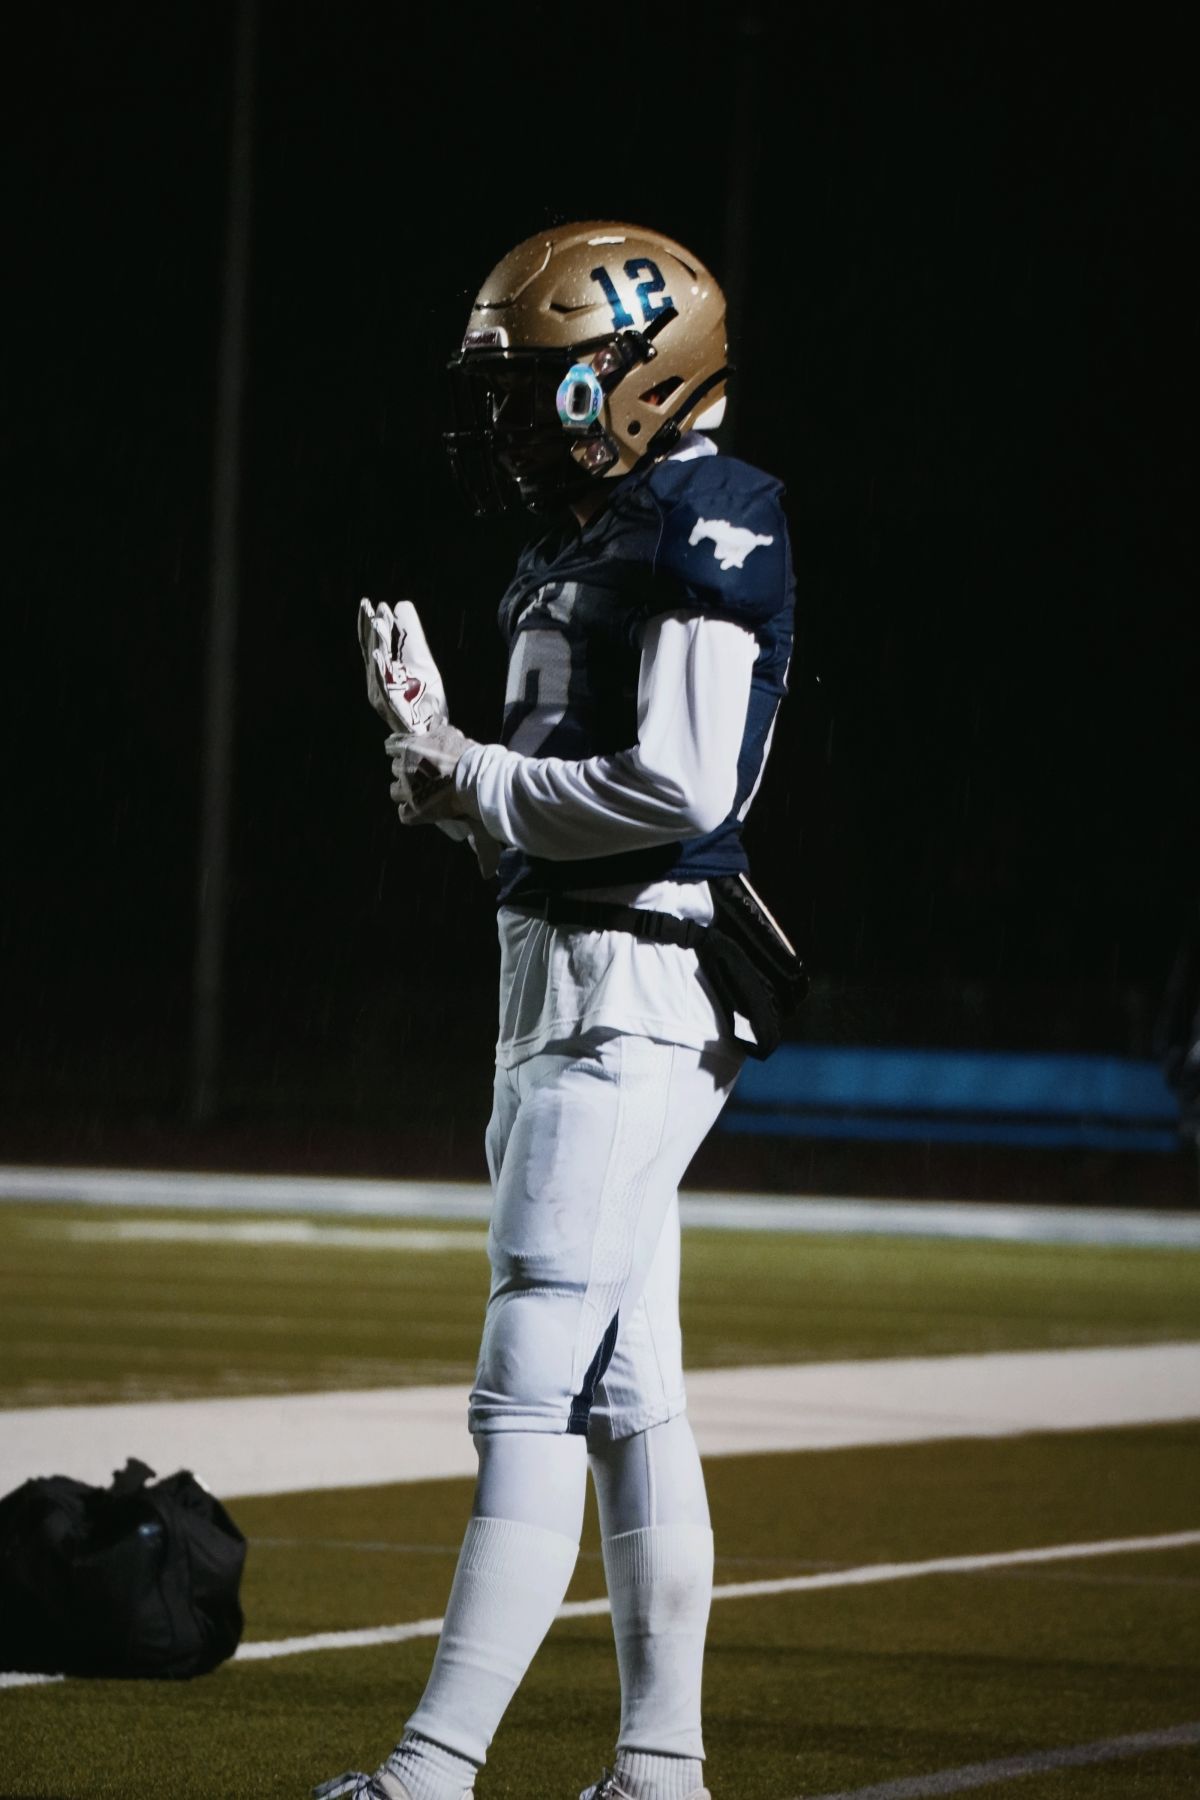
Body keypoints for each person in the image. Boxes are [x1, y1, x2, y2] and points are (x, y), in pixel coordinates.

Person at [319, 221, 800, 1800]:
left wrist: (474, 774)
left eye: (537, 387)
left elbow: (679, 788)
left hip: (630, 995)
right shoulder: (583, 540)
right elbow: (543, 818)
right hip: (559, 986)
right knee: (627, 1398)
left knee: (526, 1383)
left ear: (635, 377)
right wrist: (445, 768)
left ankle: (432, 1769)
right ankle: (660, 1767)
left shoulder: (706, 517)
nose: (514, 422)